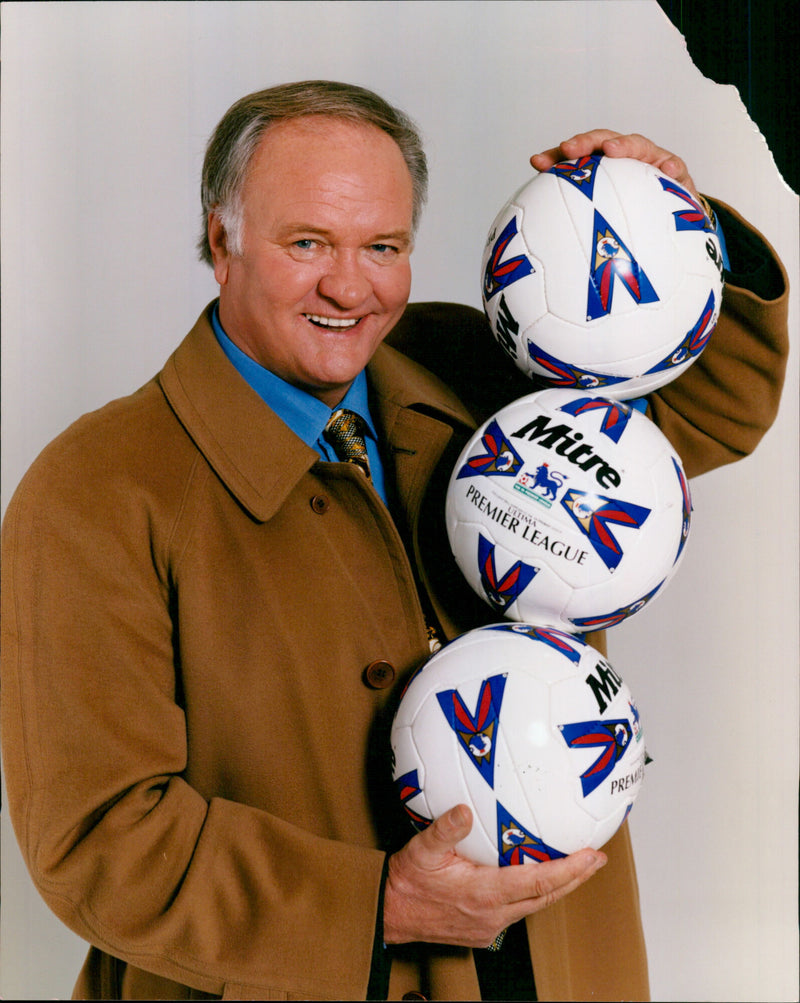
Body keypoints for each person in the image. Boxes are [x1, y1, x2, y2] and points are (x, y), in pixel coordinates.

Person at [0, 81, 788, 1002]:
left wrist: (674, 228)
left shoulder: (476, 371)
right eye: (307, 243)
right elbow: (99, 841)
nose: (349, 287)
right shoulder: (97, 487)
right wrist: (377, 905)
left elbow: (714, 411)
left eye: (383, 246)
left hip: (563, 968)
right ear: (222, 240)